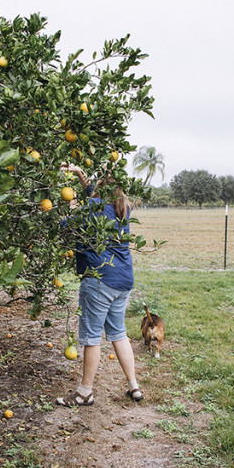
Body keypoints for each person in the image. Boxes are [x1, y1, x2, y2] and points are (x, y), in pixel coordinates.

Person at [55, 164, 142, 406]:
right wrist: (81, 176)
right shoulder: (121, 209)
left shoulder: (93, 208)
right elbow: (93, 195)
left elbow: (67, 228)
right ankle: (133, 386)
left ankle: (85, 392)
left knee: (92, 336)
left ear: (99, 193)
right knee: (118, 333)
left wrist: (72, 210)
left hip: (100, 278)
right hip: (123, 280)